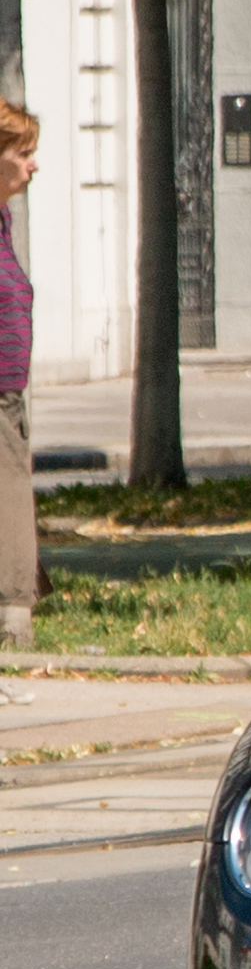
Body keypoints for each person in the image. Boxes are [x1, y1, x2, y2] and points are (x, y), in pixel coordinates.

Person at [0, 103, 37, 650]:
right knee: (8, 491)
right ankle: (11, 617)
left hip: (9, 384)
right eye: (23, 154)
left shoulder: (3, 219)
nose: (34, 166)